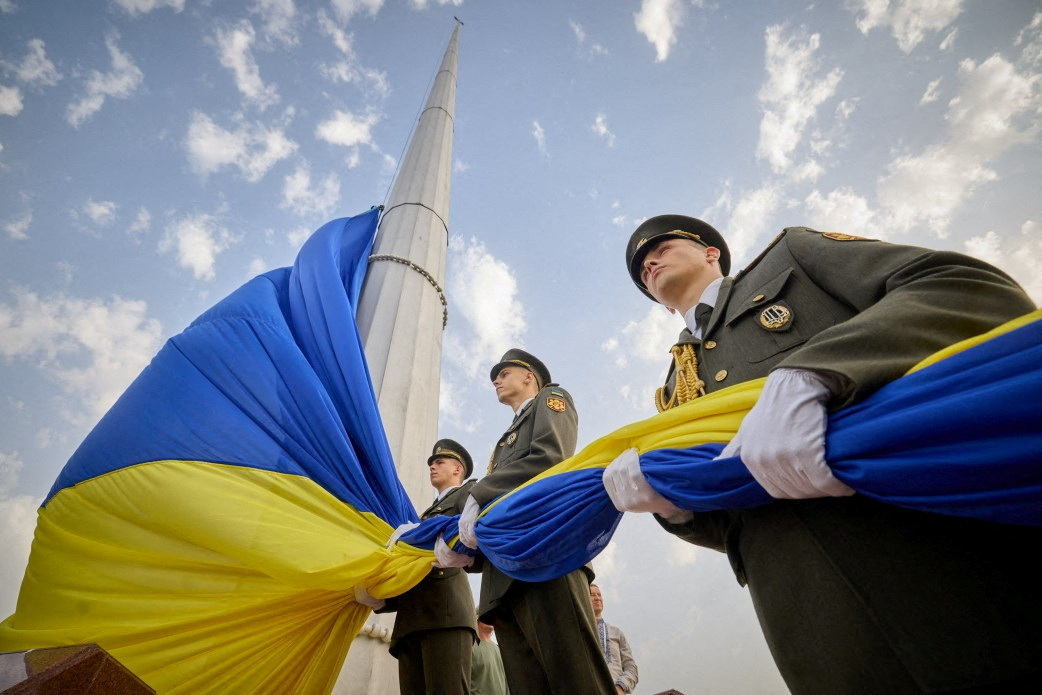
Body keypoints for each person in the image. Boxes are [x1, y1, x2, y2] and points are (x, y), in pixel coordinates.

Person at [604, 214, 1042, 693]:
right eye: (642, 267)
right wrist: (675, 507)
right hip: (816, 629)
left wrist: (818, 370)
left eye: (661, 246)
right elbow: (732, 527)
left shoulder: (790, 259)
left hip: (944, 569)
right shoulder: (673, 393)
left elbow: (960, 286)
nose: (649, 260)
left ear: (711, 252)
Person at [456, 348, 616, 695]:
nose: (496, 380)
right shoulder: (503, 441)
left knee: (577, 679)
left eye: (504, 373)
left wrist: (479, 493)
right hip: (504, 576)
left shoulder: (551, 399)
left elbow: (550, 456)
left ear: (529, 376)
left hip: (546, 555)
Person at [376, 439, 479, 694]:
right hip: (412, 619)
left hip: (445, 613)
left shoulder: (468, 496)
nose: (432, 467)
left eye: (439, 462)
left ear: (458, 470)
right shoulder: (421, 519)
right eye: (431, 463)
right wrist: (381, 599)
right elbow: (411, 568)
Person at [590, 584, 638, 695]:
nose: (597, 598)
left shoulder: (616, 632)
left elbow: (631, 666)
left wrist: (620, 686)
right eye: (592, 595)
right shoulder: (579, 633)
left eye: (599, 595)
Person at [470, 619, 508, 695]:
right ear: (476, 620)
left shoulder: (500, 649)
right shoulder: (469, 648)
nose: (490, 618)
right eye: (485, 616)